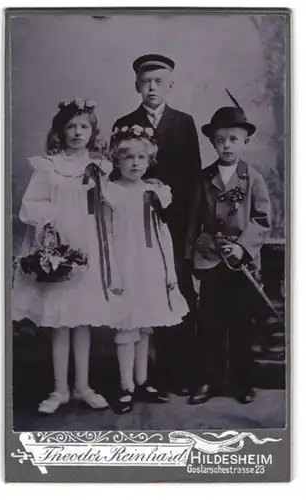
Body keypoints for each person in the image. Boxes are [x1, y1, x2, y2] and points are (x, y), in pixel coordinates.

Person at [12, 99, 126, 414]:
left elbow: (110, 204)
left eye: (84, 126)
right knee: (60, 319)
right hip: (59, 246)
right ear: (61, 131)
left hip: (89, 244)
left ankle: (83, 387)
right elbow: (31, 206)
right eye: (71, 126)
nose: (78, 132)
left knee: (83, 318)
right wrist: (52, 226)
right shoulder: (49, 166)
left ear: (93, 131)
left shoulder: (100, 165)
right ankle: (59, 389)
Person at [111, 54, 202, 398]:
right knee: (142, 296)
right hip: (136, 225)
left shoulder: (183, 122)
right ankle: (144, 376)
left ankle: (182, 372)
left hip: (174, 226)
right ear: (137, 85)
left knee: (177, 294)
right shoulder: (126, 122)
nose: (152, 88)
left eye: (159, 82)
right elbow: (116, 172)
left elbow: (193, 179)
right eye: (146, 82)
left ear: (170, 85)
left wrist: (190, 231)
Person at [186, 92, 271, 404]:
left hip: (242, 266)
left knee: (240, 325)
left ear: (244, 141)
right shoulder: (204, 178)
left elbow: (262, 220)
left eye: (234, 139)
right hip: (210, 262)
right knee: (209, 325)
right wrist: (194, 256)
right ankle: (208, 381)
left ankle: (242, 382)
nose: (227, 145)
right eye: (220, 140)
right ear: (213, 143)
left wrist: (243, 248)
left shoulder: (253, 178)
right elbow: (194, 222)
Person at [109, 124, 189, 414]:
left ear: (149, 160)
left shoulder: (156, 190)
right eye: (128, 157)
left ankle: (142, 380)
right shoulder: (111, 192)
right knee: (126, 323)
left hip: (151, 262)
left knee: (145, 326)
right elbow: (105, 235)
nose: (134, 164)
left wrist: (169, 273)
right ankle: (125, 385)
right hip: (125, 263)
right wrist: (112, 272)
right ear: (116, 159)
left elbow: (163, 232)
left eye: (141, 158)